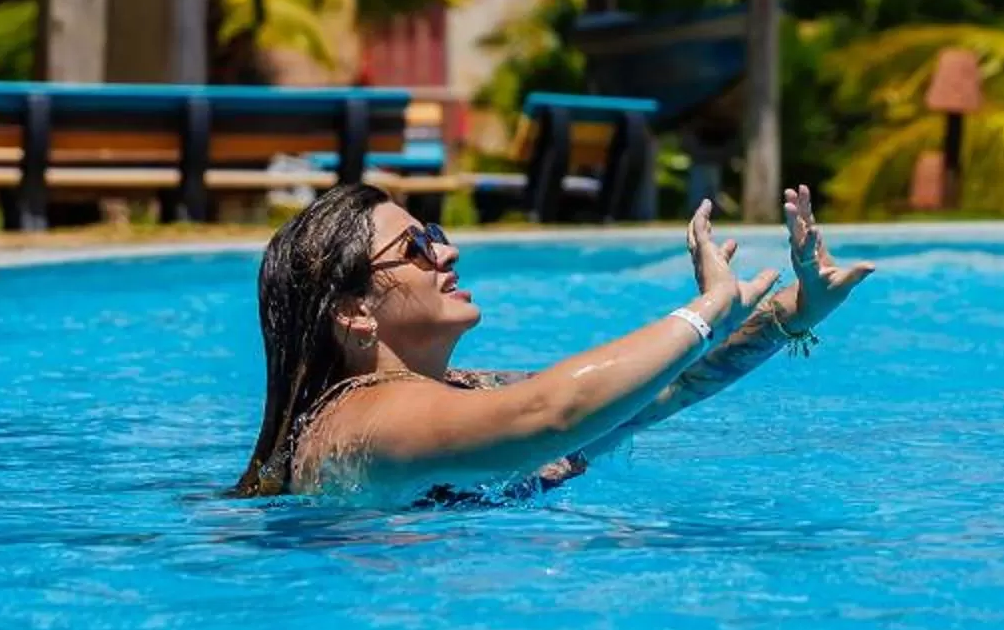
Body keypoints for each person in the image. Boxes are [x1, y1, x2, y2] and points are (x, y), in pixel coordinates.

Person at [233, 182, 871, 503]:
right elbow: (552, 414)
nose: (447, 252)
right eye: (416, 247)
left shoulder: (453, 393)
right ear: (354, 312)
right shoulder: (363, 419)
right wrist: (707, 309)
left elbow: (650, 395)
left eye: (436, 234)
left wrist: (792, 312)